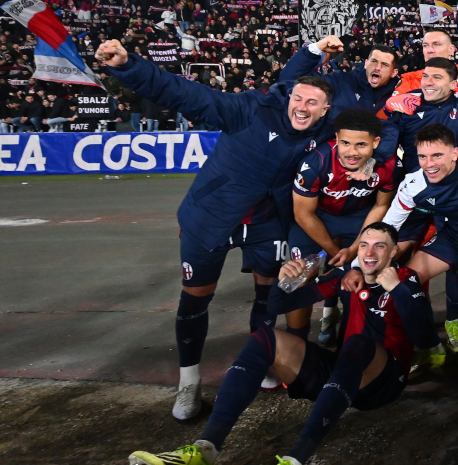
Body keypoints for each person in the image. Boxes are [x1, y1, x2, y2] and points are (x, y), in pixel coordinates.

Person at [96, 38, 334, 421]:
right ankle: (188, 383)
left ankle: (264, 363)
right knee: (195, 300)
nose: (302, 107)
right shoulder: (248, 109)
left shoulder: (323, 134)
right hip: (210, 218)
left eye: (312, 103)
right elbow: (184, 92)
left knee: (268, 297)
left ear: (325, 110)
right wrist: (128, 66)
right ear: (288, 96)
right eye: (298, 99)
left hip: (268, 223)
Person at [128, 223, 434, 465]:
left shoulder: (407, 281)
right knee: (265, 338)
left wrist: (397, 290)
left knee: (358, 343)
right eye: (364, 244)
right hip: (344, 376)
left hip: (384, 382)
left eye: (380, 246)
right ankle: (203, 452)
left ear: (393, 251)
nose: (370, 252)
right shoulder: (346, 279)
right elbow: (277, 306)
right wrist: (286, 281)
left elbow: (425, 337)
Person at [371, 123, 458, 387]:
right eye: (423, 156)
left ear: (454, 153)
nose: (429, 164)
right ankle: (430, 346)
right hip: (455, 237)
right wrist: (363, 263)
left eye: (437, 155)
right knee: (405, 281)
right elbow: (389, 229)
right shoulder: (413, 184)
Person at [285, 108, 397, 345]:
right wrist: (336, 252)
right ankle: (296, 344)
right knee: (300, 276)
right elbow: (302, 213)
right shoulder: (316, 161)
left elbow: (380, 207)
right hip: (317, 218)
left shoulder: (387, 165)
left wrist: (357, 248)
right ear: (336, 139)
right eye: (345, 143)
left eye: (361, 145)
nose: (352, 152)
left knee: (369, 272)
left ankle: (357, 340)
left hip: (358, 217)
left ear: (376, 143)